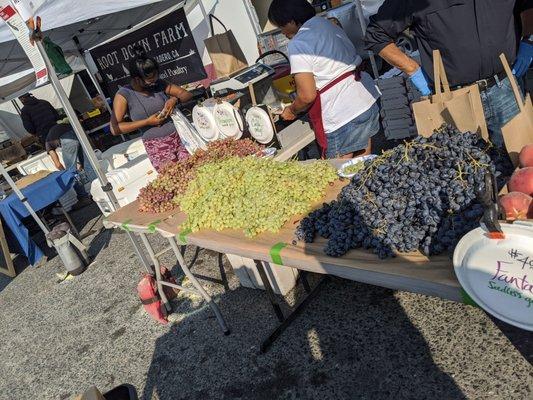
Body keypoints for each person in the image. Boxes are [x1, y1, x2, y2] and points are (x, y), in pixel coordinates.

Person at [365, 0, 533, 148]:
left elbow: (528, 5)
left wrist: (529, 40)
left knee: (520, 162)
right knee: (466, 171)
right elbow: (376, 36)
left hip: (505, 88)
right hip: (452, 99)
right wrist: (413, 70)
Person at [268, 0, 381, 159]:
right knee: (363, 160)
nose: (282, 32)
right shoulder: (327, 24)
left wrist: (292, 110)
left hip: (341, 113)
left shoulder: (298, 43)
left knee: (338, 173)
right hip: (364, 97)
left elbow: (307, 95)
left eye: (281, 26)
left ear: (291, 21)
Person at [110, 49, 193, 171]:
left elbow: (187, 94)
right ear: (137, 79)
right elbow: (115, 128)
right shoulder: (123, 95)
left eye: (155, 78)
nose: (153, 83)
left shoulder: (159, 84)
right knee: (175, 179)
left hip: (181, 137)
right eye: (149, 81)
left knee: (195, 171)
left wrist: (175, 100)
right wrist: (147, 122)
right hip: (157, 147)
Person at [46, 123, 96, 208]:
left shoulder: (47, 143)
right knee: (88, 166)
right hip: (78, 132)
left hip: (67, 138)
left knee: (71, 172)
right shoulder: (53, 133)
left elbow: (58, 164)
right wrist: (79, 164)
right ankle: (99, 190)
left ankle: (83, 198)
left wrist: (65, 173)